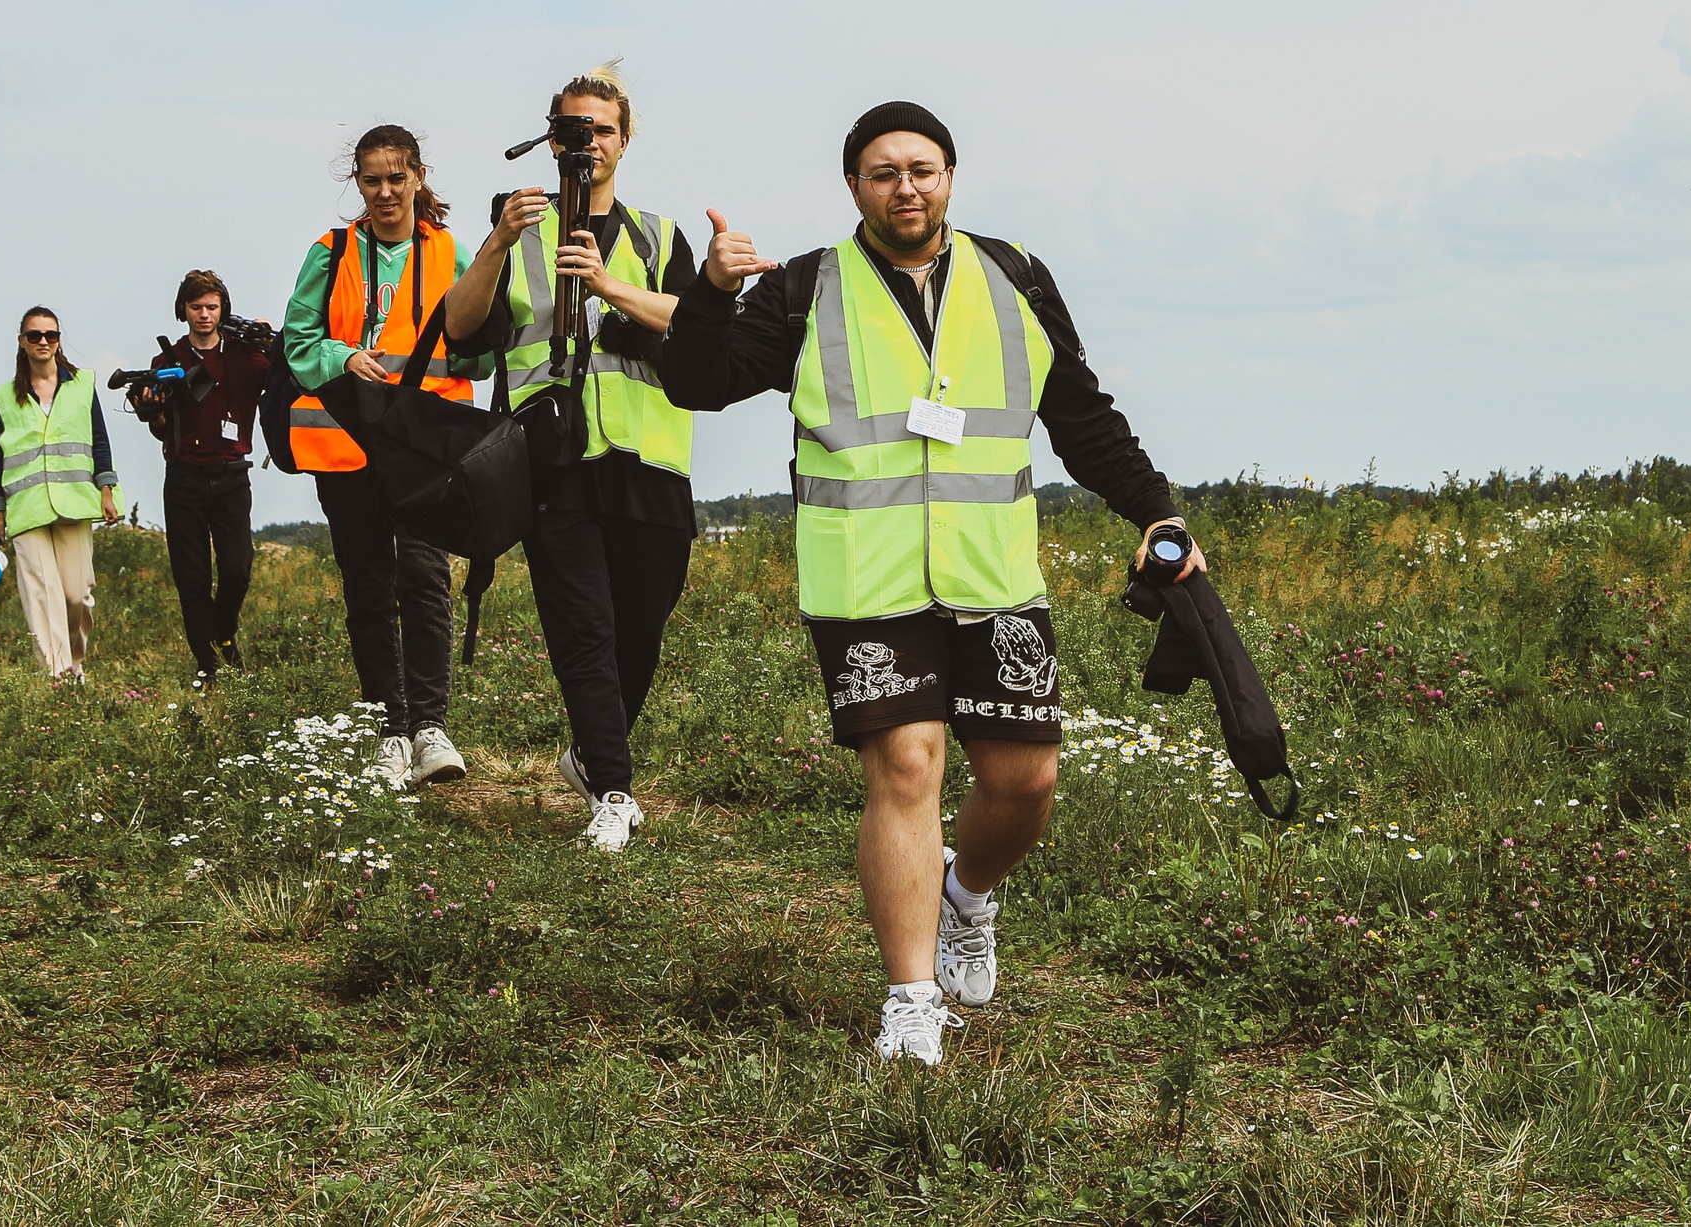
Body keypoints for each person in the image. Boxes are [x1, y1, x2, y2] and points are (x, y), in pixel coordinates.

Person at [661, 101, 1205, 1065]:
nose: (904, 186)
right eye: (883, 171)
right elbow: (697, 383)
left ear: (950, 176)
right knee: (908, 767)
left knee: (1024, 781)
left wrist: (1155, 510)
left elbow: (1081, 416)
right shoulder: (801, 288)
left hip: (995, 577)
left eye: (922, 168)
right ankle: (910, 998)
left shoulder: (1017, 277)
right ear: (854, 186)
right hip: (864, 583)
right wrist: (708, 291)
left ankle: (966, 893)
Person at [447, 63, 698, 853]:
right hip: (553, 457)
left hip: (650, 457)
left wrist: (610, 285)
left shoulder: (657, 234)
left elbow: (697, 328)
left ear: (624, 140)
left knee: (642, 627)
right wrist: (496, 241)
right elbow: (459, 331)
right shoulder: (516, 231)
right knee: (582, 628)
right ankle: (615, 791)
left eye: (599, 128)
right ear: (550, 136)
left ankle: (592, 752)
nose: (584, 141)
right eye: (570, 127)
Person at [279, 126, 481, 790]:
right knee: (368, 588)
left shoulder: (450, 253)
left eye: (397, 177)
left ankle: (429, 727)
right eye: (373, 180)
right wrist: (342, 357)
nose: (386, 191)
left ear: (419, 176)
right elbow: (298, 340)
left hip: (423, 447)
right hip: (347, 447)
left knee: (424, 578)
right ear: (358, 185)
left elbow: (478, 343)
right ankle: (389, 732)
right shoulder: (330, 252)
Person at [130, 271, 271, 684]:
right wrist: (150, 406)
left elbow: (283, 374)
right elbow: (159, 425)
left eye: (211, 306)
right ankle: (209, 665)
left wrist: (269, 339)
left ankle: (224, 632)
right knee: (191, 579)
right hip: (184, 479)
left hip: (232, 476)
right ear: (183, 311)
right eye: (196, 307)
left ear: (223, 308)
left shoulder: (247, 356)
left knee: (237, 570)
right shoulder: (167, 361)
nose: (204, 315)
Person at [0, 308, 120, 681]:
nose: (43, 341)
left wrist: (105, 491)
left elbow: (99, 442)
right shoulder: (3, 398)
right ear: (22, 342)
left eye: (50, 335)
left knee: (77, 594)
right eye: (34, 335)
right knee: (42, 594)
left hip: (74, 501)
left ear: (59, 339)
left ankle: (75, 659)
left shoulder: (82, 384)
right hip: (25, 508)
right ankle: (60, 676)